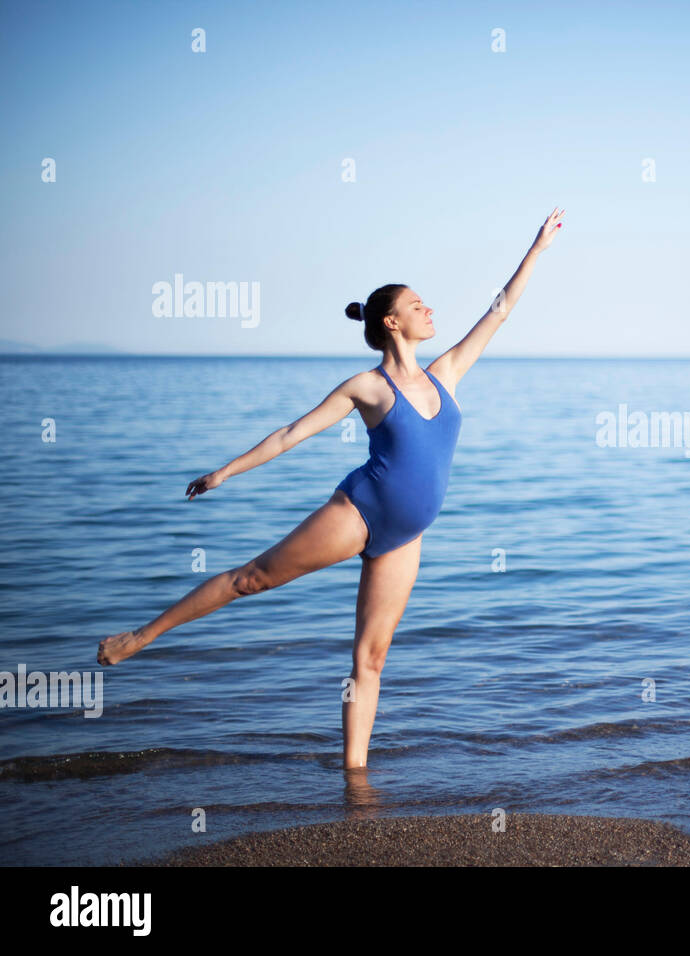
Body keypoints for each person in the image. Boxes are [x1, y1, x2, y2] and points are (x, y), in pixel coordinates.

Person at [96, 207, 565, 768]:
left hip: (405, 537)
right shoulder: (368, 385)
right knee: (250, 579)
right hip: (360, 513)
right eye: (417, 304)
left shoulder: (448, 372)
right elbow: (293, 433)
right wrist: (225, 471)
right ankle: (142, 636)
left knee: (371, 660)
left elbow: (501, 311)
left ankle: (355, 776)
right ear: (392, 322)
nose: (429, 308)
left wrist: (537, 248)